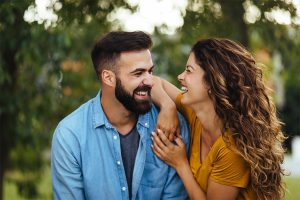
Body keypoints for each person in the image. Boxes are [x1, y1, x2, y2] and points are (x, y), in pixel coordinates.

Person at [51, 31, 190, 200]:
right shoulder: (70, 135)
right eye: (138, 74)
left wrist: (168, 105)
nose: (150, 81)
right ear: (108, 78)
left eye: (150, 71)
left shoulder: (173, 125)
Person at [151, 38, 286, 200]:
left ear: (212, 80)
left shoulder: (232, 148)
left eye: (189, 70)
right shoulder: (196, 113)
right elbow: (154, 81)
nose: (180, 76)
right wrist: (167, 106)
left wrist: (180, 164)